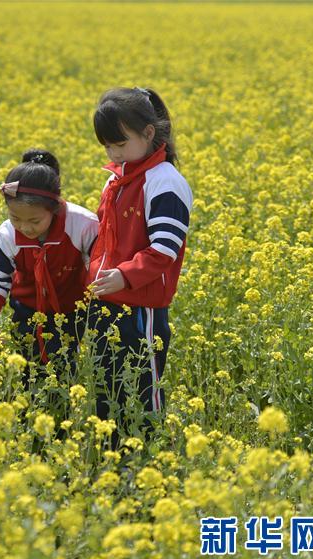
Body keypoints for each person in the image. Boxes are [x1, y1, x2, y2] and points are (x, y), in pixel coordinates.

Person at [87, 87, 194, 449]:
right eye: (107, 146)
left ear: (149, 134)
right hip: (107, 300)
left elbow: (164, 249)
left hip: (142, 309)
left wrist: (124, 275)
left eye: (120, 144)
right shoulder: (116, 179)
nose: (113, 153)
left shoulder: (165, 181)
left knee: (144, 391)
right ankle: (112, 459)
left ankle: (152, 460)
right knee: (107, 388)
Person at [0, 149, 98, 369]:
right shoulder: (7, 235)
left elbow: (102, 267)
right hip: (27, 312)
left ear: (55, 208)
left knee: (67, 371)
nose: (25, 227)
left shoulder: (82, 225)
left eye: (35, 220)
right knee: (29, 373)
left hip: (73, 312)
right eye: (15, 218)